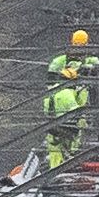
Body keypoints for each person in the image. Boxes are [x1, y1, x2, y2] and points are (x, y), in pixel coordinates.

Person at [41, 30, 94, 170]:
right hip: (68, 120)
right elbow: (77, 116)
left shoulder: (58, 63)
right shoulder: (69, 92)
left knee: (55, 149)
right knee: (78, 128)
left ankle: (56, 170)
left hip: (54, 123)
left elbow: (50, 80)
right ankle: (71, 157)